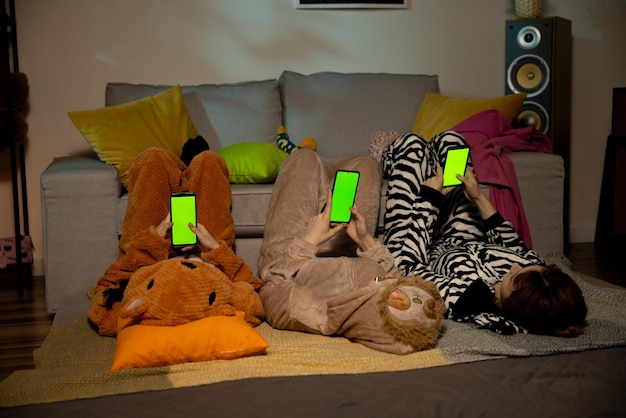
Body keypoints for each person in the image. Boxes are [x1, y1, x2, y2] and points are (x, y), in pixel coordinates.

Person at [381, 131, 587, 337]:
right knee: (453, 141)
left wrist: (428, 201)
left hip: (417, 248)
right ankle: (431, 159)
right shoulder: (536, 276)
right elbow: (510, 241)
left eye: (514, 276)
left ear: (511, 304)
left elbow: (412, 269)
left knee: (412, 145)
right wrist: (478, 196)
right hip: (463, 237)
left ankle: (392, 158)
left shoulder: (470, 298)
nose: (516, 266)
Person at [257, 149, 445, 355]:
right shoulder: (390, 300)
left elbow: (273, 298)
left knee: (304, 158)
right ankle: (327, 179)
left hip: (290, 259)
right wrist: (365, 240)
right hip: (351, 247)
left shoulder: (324, 316)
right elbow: (393, 273)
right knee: (367, 164)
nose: (392, 279)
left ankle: (321, 175)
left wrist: (308, 242)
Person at [87, 147, 264, 336]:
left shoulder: (141, 310)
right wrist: (215, 249)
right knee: (209, 161)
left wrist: (151, 245)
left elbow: (107, 292)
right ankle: (186, 166)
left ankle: (181, 166)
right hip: (206, 257)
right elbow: (250, 292)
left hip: (152, 259)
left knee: (153, 159)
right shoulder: (214, 306)